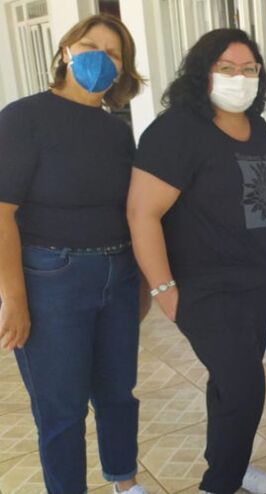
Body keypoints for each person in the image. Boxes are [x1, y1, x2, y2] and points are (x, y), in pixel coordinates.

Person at [127, 28, 266, 494]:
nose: (240, 77)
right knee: (244, 387)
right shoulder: (177, 130)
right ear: (202, 72)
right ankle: (219, 483)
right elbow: (141, 212)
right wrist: (163, 289)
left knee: (228, 383)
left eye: (249, 69)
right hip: (206, 287)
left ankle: (230, 464)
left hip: (258, 282)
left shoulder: (255, 125)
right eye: (227, 68)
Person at [0, 14, 147, 494]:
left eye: (113, 54)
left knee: (118, 394)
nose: (100, 59)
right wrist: (14, 300)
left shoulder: (116, 131)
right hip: (52, 279)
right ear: (65, 51)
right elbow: (2, 214)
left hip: (118, 273)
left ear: (122, 69)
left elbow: (131, 210)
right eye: (89, 47)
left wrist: (141, 281)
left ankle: (125, 482)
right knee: (61, 409)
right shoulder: (23, 117)